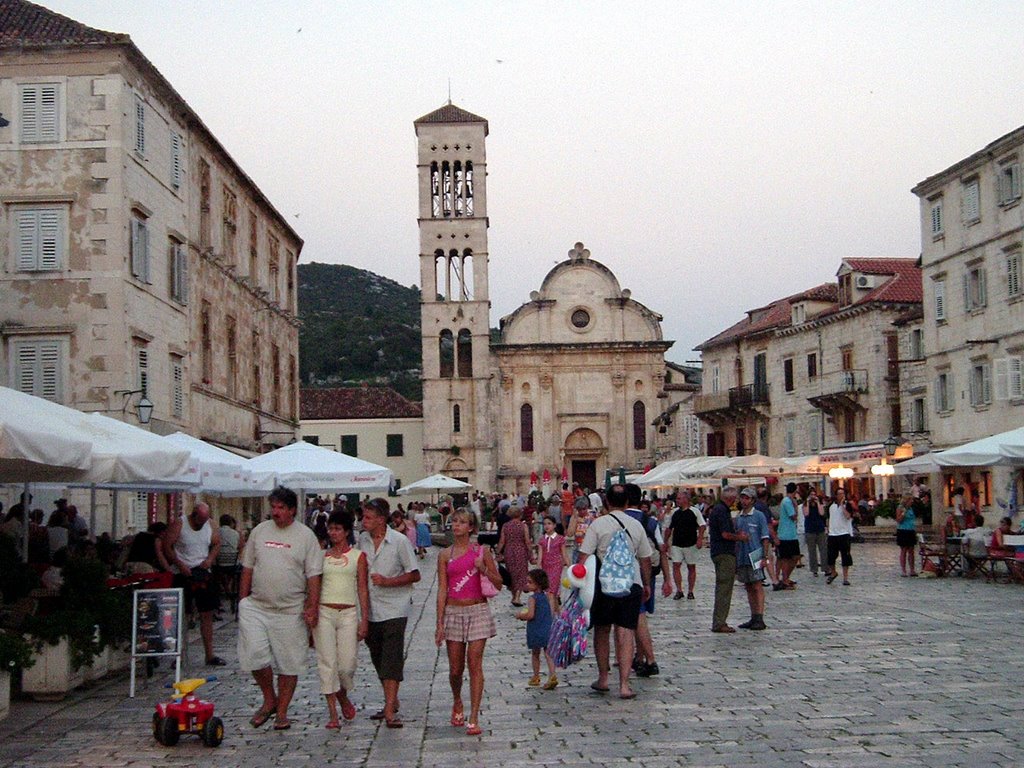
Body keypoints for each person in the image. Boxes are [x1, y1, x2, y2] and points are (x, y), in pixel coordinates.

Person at [238, 486, 323, 730]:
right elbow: (248, 567)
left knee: (289, 663)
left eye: (281, 508)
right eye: (273, 507)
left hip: (290, 609)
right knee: (254, 656)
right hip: (257, 606)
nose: (275, 512)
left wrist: (312, 606)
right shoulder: (259, 531)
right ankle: (269, 699)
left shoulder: (305, 536)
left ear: (292, 510)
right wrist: (242, 601)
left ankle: (282, 711)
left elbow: (314, 575)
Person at [577, 483, 653, 699]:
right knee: (626, 631)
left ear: (607, 502)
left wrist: (578, 586)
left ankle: (603, 678)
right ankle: (624, 684)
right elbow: (645, 559)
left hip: (604, 584)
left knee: (602, 630)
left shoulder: (598, 525)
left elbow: (583, 558)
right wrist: (646, 583)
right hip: (631, 584)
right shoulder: (636, 525)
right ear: (628, 502)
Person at [435, 508, 501, 736]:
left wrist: (484, 569)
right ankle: (457, 700)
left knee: (475, 663)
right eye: (454, 522)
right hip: (454, 610)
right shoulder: (445, 555)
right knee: (455, 669)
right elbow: (443, 588)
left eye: (462, 522)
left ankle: (474, 716)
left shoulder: (482, 551)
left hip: (478, 609)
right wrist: (439, 622)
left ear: (471, 527)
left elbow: (499, 583)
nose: (456, 526)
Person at [359, 497, 420, 729]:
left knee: (392, 657)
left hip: (395, 606)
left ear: (382, 519)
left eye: (368, 517)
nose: (364, 521)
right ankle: (391, 701)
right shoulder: (362, 540)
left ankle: (389, 708)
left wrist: (388, 581)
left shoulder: (399, 541)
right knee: (377, 656)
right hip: (371, 608)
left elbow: (414, 574)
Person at [315, 510, 369, 729]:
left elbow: (363, 590)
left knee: (347, 665)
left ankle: (343, 695)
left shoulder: (358, 557)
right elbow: (315, 586)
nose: (333, 533)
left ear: (347, 531)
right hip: (324, 612)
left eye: (338, 529)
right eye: (331, 529)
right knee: (327, 662)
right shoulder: (321, 557)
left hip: (348, 612)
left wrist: (364, 619)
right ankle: (332, 714)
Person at [165, 502, 224, 666]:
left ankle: (209, 654)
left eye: (206, 519)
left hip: (203, 572)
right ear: (194, 515)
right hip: (183, 573)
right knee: (183, 614)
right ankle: (180, 655)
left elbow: (217, 543)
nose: (203, 522)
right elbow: (167, 546)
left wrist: (210, 559)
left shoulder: (210, 524)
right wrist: (179, 564)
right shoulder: (180, 524)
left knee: (207, 614)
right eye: (201, 519)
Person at [623, 483, 670, 678]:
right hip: (647, 574)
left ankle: (649, 659)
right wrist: (668, 578)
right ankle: (639, 659)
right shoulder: (650, 522)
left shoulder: (618, 519)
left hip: (627, 575)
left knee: (635, 619)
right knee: (640, 617)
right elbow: (661, 549)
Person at [707, 486, 746, 633]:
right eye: (735, 498)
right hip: (724, 552)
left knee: (722, 587)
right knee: (724, 588)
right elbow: (725, 534)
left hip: (718, 551)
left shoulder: (717, 509)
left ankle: (719, 621)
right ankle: (719, 622)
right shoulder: (722, 511)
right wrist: (740, 538)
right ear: (730, 498)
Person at [734, 487, 771, 630]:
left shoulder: (759, 516)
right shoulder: (739, 517)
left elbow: (765, 537)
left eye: (747, 498)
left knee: (757, 585)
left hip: (755, 554)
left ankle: (760, 617)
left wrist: (764, 556)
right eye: (742, 498)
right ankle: (753, 615)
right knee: (748, 586)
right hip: (742, 555)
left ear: (753, 500)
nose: (744, 501)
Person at [517, 568, 557, 690]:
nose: (527, 584)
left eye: (530, 582)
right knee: (548, 652)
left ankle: (536, 676)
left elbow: (531, 615)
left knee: (535, 653)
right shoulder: (550, 596)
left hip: (535, 628)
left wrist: (520, 616)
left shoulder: (532, 598)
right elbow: (553, 612)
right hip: (548, 627)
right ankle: (552, 675)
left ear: (537, 584)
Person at [664, 488, 706, 600]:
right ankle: (679, 590)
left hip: (691, 543)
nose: (677, 500)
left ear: (686, 500)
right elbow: (669, 528)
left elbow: (702, 525)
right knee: (676, 565)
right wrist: (665, 542)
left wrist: (700, 539)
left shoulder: (694, 511)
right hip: (677, 543)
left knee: (691, 566)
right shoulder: (675, 513)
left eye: (679, 498)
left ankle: (691, 591)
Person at [495, 504, 532, 606]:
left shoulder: (505, 526)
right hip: (520, 550)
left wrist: (498, 552)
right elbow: (527, 541)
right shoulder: (523, 526)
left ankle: (513, 596)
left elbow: (502, 541)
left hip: (509, 551)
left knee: (512, 573)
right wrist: (531, 554)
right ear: (520, 514)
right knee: (521, 573)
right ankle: (517, 597)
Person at [536, 515, 568, 603]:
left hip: (556, 565)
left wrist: (570, 566)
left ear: (554, 525)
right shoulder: (542, 539)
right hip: (545, 565)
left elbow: (564, 553)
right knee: (547, 586)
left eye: (549, 523)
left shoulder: (560, 539)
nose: (547, 526)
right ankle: (555, 606)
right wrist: (538, 566)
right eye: (545, 524)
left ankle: (552, 609)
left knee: (553, 586)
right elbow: (540, 554)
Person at [774, 483, 800, 590]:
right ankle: (785, 579)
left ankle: (785, 577)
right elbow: (793, 516)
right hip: (786, 535)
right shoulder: (788, 501)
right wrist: (795, 505)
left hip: (790, 534)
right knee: (787, 558)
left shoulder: (785, 501)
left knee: (793, 557)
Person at [826, 487, 855, 585]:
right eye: (839, 494)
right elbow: (828, 517)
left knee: (845, 556)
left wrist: (842, 506)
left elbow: (848, 516)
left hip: (844, 533)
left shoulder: (848, 505)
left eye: (842, 493)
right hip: (833, 534)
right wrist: (828, 529)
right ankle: (833, 572)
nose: (841, 496)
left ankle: (845, 578)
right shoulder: (831, 505)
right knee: (830, 556)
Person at [802, 489, 827, 576]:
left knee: (823, 549)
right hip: (810, 529)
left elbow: (821, 513)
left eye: (814, 494)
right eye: (811, 494)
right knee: (812, 551)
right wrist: (808, 503)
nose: (813, 496)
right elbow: (806, 514)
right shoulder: (805, 505)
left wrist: (818, 503)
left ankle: (825, 568)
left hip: (820, 528)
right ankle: (814, 569)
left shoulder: (819, 504)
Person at [895, 493, 918, 577]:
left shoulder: (911, 509)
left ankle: (912, 569)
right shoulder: (900, 508)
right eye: (910, 500)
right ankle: (903, 570)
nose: (912, 501)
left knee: (911, 550)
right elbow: (898, 520)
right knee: (904, 550)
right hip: (903, 530)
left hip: (911, 530)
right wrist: (903, 514)